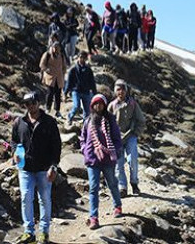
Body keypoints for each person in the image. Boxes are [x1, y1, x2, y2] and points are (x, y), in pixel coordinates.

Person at [12, 91, 62, 244]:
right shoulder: (19, 122)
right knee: (26, 199)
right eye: (27, 103)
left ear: (39, 103)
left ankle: (44, 233)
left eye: (33, 103)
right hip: (25, 168)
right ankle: (29, 233)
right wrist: (14, 153)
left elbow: (56, 145)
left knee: (44, 199)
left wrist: (54, 166)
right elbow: (14, 141)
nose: (30, 106)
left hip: (44, 168)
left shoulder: (49, 122)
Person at [79, 94, 123, 230]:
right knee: (93, 188)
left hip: (108, 159)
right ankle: (94, 217)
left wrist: (115, 151)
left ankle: (117, 206)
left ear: (104, 105)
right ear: (92, 106)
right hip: (92, 159)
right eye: (95, 104)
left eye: (101, 104)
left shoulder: (110, 120)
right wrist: (84, 149)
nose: (98, 106)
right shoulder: (88, 121)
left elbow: (117, 137)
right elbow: (82, 137)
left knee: (112, 183)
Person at [108, 79, 145, 197]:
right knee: (118, 163)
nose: (121, 92)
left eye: (123, 89)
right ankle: (122, 187)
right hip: (117, 139)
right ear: (115, 91)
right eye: (118, 89)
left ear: (126, 90)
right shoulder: (112, 106)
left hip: (130, 136)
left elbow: (141, 120)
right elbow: (106, 123)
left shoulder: (133, 104)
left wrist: (136, 133)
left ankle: (134, 183)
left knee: (132, 159)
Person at [62, 51, 97, 126]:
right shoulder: (73, 70)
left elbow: (92, 82)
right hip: (76, 90)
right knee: (76, 106)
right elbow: (69, 82)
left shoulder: (88, 70)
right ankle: (69, 117)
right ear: (78, 58)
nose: (82, 59)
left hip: (86, 91)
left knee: (87, 111)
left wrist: (95, 93)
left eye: (84, 58)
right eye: (80, 57)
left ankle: (85, 125)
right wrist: (65, 93)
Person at [39, 42, 67, 118]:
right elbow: (42, 64)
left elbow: (64, 66)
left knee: (58, 95)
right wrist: (47, 70)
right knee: (50, 93)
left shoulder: (61, 56)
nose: (56, 49)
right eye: (55, 47)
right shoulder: (47, 54)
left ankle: (57, 111)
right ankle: (48, 108)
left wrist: (62, 73)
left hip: (59, 78)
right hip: (50, 78)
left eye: (58, 47)